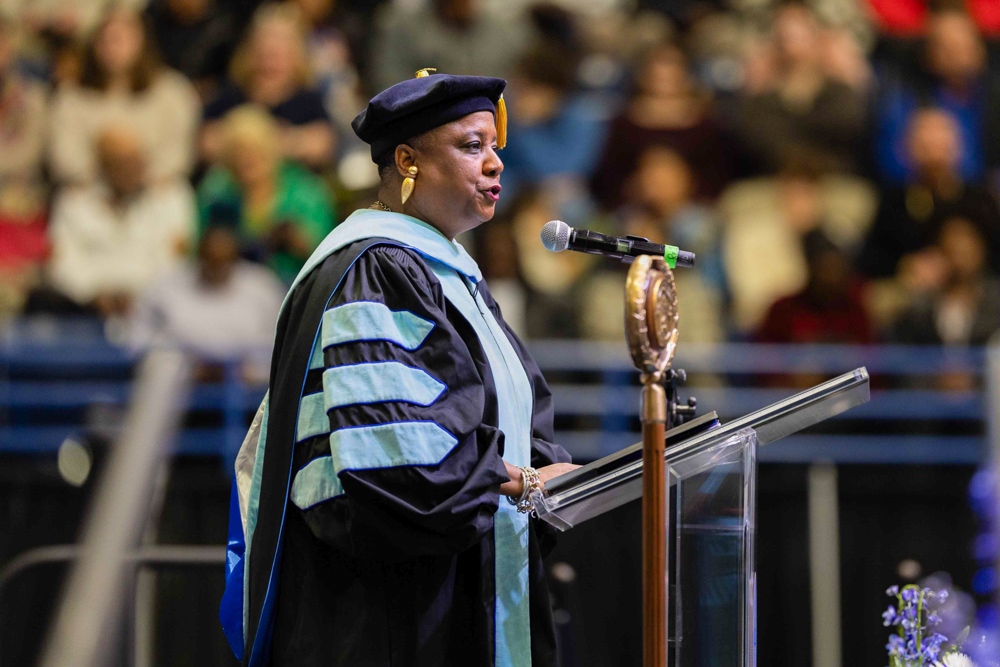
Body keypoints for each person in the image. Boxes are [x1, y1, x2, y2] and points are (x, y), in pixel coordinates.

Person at [220, 71, 577, 667]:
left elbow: (511, 415)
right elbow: (398, 459)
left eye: (495, 147)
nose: (494, 165)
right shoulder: (378, 267)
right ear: (407, 159)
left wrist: (539, 470)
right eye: (471, 146)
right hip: (390, 617)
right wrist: (524, 483)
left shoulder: (448, 272)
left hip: (454, 591)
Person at [42, 126, 195, 317]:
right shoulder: (73, 202)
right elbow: (62, 262)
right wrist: (93, 294)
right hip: (85, 306)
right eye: (120, 163)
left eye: (136, 161)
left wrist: (139, 294)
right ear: (102, 166)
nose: (132, 170)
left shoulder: (171, 197)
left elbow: (174, 260)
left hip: (153, 305)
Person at [48, 6, 200, 185]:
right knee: (72, 203)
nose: (114, 45)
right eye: (107, 38)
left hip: (153, 187)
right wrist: (106, 178)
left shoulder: (173, 91)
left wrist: (141, 178)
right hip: (93, 189)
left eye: (122, 37)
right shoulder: (71, 96)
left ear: (142, 40)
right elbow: (65, 156)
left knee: (175, 198)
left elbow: (179, 152)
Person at [197, 104, 336, 283]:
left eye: (254, 151)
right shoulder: (217, 194)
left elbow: (326, 252)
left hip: (295, 286)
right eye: (238, 152)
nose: (246, 159)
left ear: (270, 150)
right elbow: (200, 248)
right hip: (232, 292)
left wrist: (293, 239)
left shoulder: (306, 192)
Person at [857, 108, 1000, 280]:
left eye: (940, 136)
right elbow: (869, 260)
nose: (933, 145)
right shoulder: (894, 202)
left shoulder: (979, 200)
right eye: (924, 138)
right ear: (906, 147)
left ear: (958, 145)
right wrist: (906, 264)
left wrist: (970, 259)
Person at [129, 225, 285, 381]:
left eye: (224, 261)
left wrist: (249, 369)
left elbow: (278, 342)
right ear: (199, 257)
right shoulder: (166, 286)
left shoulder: (263, 287)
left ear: (235, 259)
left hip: (247, 375)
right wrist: (190, 365)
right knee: (162, 365)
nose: (217, 268)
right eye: (211, 260)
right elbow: (139, 339)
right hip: (181, 372)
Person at [590, 41, 733, 210]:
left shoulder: (706, 123)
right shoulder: (624, 122)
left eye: (672, 65)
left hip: (691, 207)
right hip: (635, 205)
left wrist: (678, 189)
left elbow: (718, 174)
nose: (664, 74)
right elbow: (609, 175)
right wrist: (640, 188)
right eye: (659, 64)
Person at [200, 3, 336, 170]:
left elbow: (322, 144)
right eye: (263, 53)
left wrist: (281, 141)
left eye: (277, 55)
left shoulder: (308, 100)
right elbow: (206, 141)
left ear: (296, 58)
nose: (269, 63)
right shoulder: (232, 95)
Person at [874, 8, 1000, 186]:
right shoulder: (907, 100)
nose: (957, 54)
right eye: (946, 46)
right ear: (928, 55)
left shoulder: (992, 96)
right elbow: (889, 163)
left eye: (965, 44)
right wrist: (923, 159)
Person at [736, 3, 866, 175]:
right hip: (774, 182)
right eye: (786, 37)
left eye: (801, 35)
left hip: (833, 180)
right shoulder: (763, 98)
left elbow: (849, 127)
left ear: (820, 38)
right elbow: (756, 139)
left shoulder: (839, 92)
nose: (794, 47)